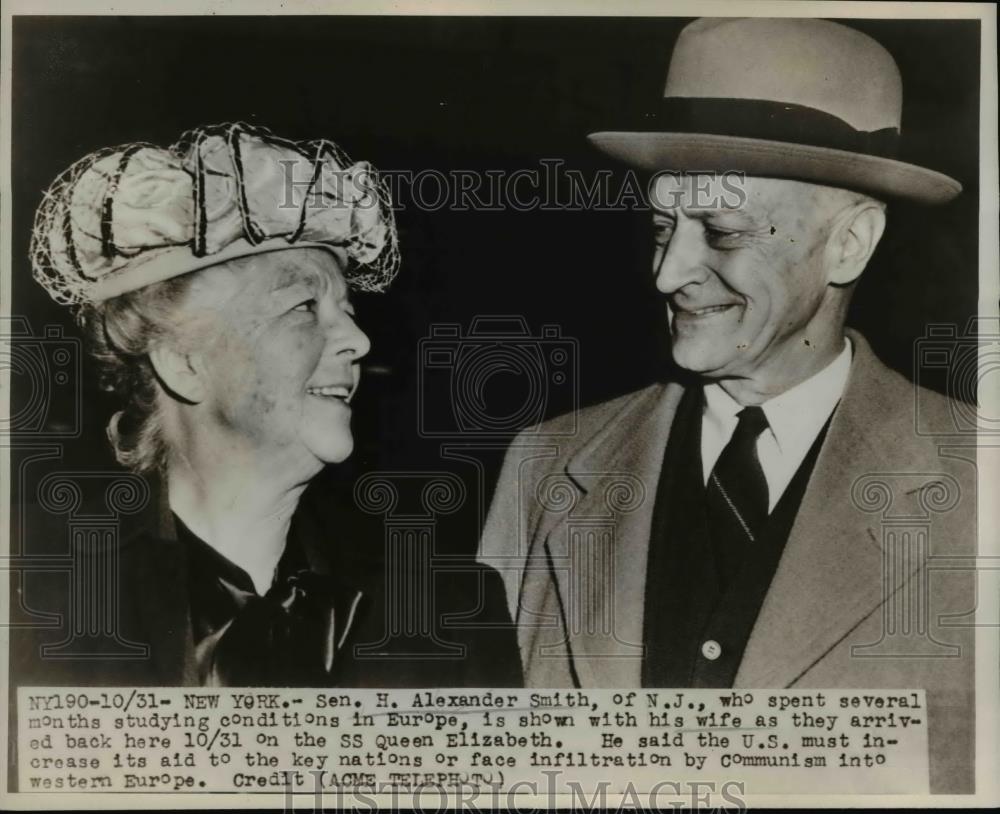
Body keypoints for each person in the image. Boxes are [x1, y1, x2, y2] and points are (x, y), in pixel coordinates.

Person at [479, 18, 975, 793]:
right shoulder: (546, 466)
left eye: (722, 230)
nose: (670, 272)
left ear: (850, 243)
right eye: (661, 227)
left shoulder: (981, 486)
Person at [16, 122, 520, 688]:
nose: (359, 340)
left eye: (348, 308)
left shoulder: (453, 609)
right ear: (184, 361)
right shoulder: (36, 605)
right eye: (305, 306)